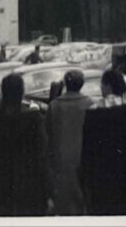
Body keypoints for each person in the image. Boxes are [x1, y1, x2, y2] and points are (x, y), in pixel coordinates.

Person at [0, 73, 49, 216]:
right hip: (28, 184)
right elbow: (41, 155)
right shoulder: (34, 118)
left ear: (3, 92)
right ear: (22, 92)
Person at [81, 69, 126, 215]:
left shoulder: (93, 112)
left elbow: (88, 149)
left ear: (108, 86)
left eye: (102, 84)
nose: (101, 88)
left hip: (102, 177)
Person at [46, 69, 93, 214]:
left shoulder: (54, 106)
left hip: (61, 161)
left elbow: (49, 133)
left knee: (64, 205)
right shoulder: (89, 103)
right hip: (83, 159)